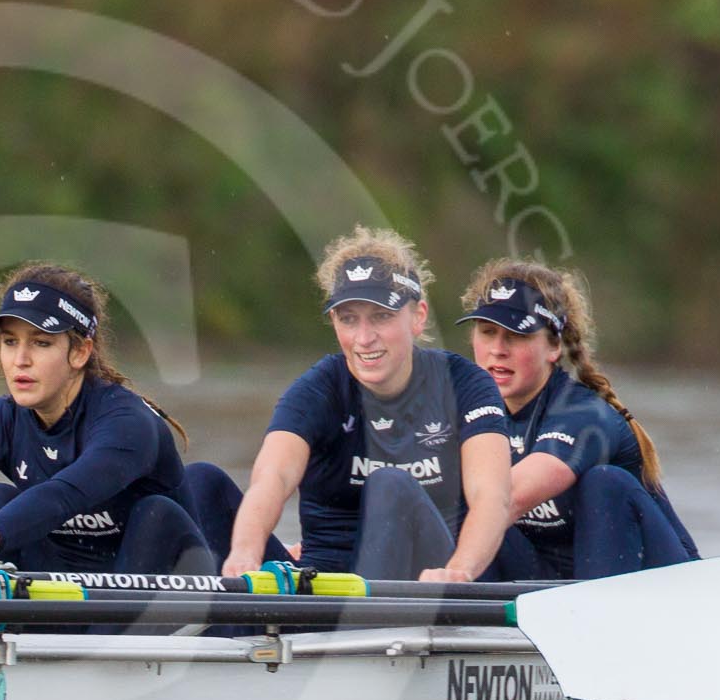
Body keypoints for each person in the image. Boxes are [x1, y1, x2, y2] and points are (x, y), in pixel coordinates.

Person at [219, 226, 511, 582]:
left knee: (390, 483)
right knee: (205, 482)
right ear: (334, 322)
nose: (363, 338)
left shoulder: (465, 384)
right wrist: (244, 553)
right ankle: (209, 627)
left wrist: (459, 571)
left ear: (418, 316)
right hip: (325, 587)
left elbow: (491, 495)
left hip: (426, 583)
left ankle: (365, 624)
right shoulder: (319, 389)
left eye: (381, 316)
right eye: (349, 319)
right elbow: (273, 478)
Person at [0, 263, 212, 575]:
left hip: (151, 588)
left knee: (157, 513)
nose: (20, 360)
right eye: (10, 341)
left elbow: (64, 494)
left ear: (80, 352)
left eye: (41, 343)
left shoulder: (126, 422)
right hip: (63, 596)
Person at [458, 259, 698, 578]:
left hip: (665, 583)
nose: (498, 349)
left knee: (603, 482)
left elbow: (506, 498)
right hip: (556, 586)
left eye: (516, 335)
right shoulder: (470, 412)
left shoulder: (583, 413)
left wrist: (455, 571)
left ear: (554, 346)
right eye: (488, 333)